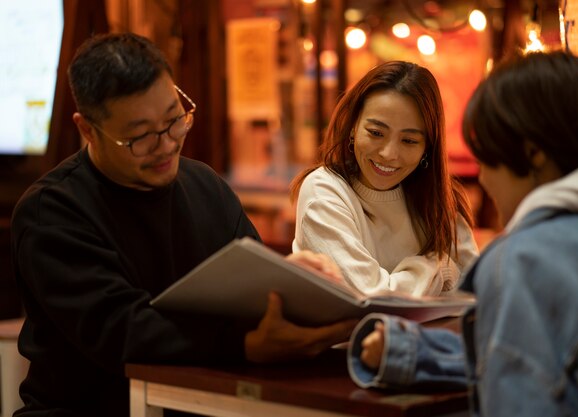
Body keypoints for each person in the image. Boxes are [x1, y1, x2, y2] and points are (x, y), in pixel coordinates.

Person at [10, 32, 355, 417]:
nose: (167, 144)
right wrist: (244, 343)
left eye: (175, 119)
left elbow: (256, 288)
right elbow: (124, 330)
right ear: (87, 129)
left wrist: (295, 284)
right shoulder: (52, 211)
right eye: (140, 137)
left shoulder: (205, 186)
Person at [348, 50, 578, 416]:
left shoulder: (523, 261)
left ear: (533, 155)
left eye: (485, 156)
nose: (483, 177)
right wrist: (409, 351)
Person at [291, 61, 478, 297]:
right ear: (353, 127)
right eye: (376, 133)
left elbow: (477, 288)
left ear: (427, 148)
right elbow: (367, 295)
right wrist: (441, 269)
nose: (389, 154)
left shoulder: (439, 198)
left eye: (409, 141)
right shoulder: (325, 190)